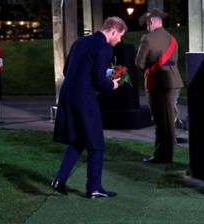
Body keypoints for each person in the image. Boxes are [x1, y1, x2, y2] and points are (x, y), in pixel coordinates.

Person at [51, 17, 127, 198]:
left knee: (78, 140)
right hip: (84, 98)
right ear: (113, 31)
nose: (120, 40)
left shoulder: (80, 42)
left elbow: (66, 69)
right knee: (97, 144)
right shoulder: (105, 47)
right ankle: (94, 188)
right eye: (121, 36)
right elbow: (99, 79)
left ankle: (59, 180)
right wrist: (113, 85)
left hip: (67, 95)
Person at [135, 9, 184, 163]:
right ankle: (167, 155)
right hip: (174, 82)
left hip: (157, 83)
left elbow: (139, 63)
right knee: (169, 121)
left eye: (147, 25)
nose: (146, 28)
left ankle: (160, 156)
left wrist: (151, 66)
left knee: (160, 121)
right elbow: (172, 61)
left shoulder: (147, 39)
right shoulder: (172, 38)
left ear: (150, 23)